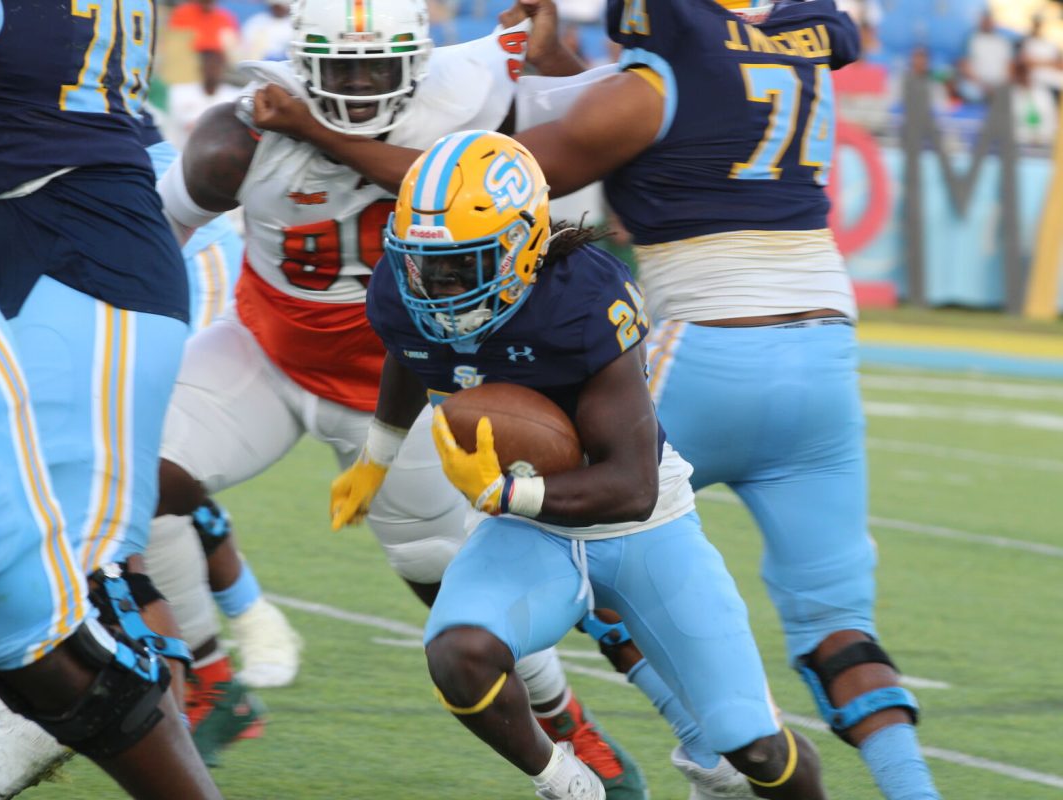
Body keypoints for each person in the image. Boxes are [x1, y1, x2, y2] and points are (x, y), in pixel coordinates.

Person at [244, 2, 942, 798]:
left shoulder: (597, 236)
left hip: (705, 345)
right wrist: (379, 455)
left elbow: (494, 181)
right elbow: (647, 128)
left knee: (620, 523)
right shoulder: (781, 53)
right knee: (838, 632)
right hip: (823, 345)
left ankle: (707, 746)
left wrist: (309, 124)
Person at [150, 0, 649, 794]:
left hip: (412, 374)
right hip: (268, 348)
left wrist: (546, 41)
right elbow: (156, 232)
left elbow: (543, 57)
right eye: (337, 69)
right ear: (301, 62)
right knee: (137, 478)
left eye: (374, 68)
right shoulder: (235, 136)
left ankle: (566, 722)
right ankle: (210, 676)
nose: (355, 85)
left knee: (446, 579)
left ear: (415, 60)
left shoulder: (468, 91)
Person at [339, 128, 828, 800]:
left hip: (641, 527)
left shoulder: (581, 299)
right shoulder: (404, 292)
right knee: (459, 654)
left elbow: (631, 486)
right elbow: (409, 349)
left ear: (522, 247)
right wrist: (377, 457)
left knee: (755, 746)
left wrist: (507, 497)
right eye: (426, 263)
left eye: (463, 264)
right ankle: (568, 783)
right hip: (530, 532)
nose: (436, 285)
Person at [0, 0, 207, 793]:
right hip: (56, 252)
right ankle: (24, 703)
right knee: (11, 550)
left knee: (93, 584)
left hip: (85, 268)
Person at [164, 49, 241, 151]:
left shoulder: (235, 96)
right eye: (209, 65)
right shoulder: (180, 93)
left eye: (216, 66)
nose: (212, 70)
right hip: (182, 156)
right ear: (201, 67)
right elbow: (174, 128)